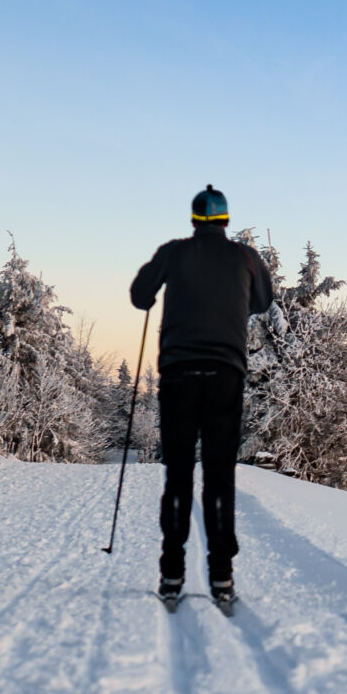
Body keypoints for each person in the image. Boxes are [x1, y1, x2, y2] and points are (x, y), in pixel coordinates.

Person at [131, 184, 274, 605]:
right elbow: (263, 302)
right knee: (218, 476)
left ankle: (172, 574)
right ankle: (221, 577)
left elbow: (140, 296)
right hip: (225, 374)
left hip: (177, 374)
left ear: (195, 220)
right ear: (225, 220)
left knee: (177, 474)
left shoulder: (173, 253)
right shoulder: (245, 257)